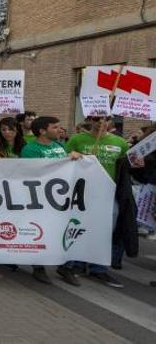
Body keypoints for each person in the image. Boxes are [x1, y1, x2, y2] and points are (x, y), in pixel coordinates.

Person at [63, 115, 128, 287]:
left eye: (105, 119)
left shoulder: (120, 143)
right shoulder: (77, 139)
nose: (101, 122)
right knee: (77, 227)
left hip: (108, 193)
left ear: (110, 122)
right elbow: (63, 161)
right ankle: (74, 263)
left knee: (105, 230)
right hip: (81, 192)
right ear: (90, 120)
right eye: (97, 119)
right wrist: (71, 154)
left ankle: (99, 269)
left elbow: (127, 167)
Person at [21, 116, 83, 285]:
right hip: (41, 199)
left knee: (64, 232)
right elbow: (36, 172)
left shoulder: (59, 146)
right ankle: (38, 267)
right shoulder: (30, 149)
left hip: (62, 200)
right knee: (41, 233)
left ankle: (64, 266)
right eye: (55, 127)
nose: (59, 130)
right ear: (42, 131)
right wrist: (64, 161)